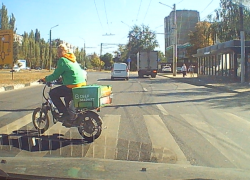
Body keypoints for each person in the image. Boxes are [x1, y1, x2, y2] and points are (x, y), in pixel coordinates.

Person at [41, 44, 87, 123]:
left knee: (52, 93)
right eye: (57, 52)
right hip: (81, 84)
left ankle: (64, 113)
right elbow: (70, 72)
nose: (58, 54)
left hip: (72, 86)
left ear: (65, 51)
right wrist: (63, 79)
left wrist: (45, 79)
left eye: (60, 51)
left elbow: (55, 75)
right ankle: (70, 115)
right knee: (66, 97)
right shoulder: (72, 59)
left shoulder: (62, 60)